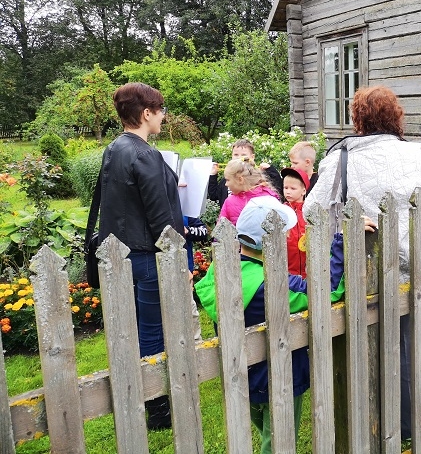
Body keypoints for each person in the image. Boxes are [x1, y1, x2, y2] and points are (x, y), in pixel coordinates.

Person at [305, 85, 421, 440]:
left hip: (360, 272)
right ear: (396, 118)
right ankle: (408, 428)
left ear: (358, 119)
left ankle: (365, 426)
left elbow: (311, 211)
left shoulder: (340, 160)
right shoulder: (418, 155)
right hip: (411, 271)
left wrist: (343, 226)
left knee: (360, 348)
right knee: (407, 350)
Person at [195, 196, 349, 454]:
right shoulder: (273, 285)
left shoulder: (219, 272)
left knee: (267, 435)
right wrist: (342, 243)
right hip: (279, 376)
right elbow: (327, 291)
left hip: (241, 375)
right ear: (269, 239)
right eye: (284, 233)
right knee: (278, 442)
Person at [97, 82, 184, 430]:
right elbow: (160, 217)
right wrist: (176, 257)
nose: (163, 116)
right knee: (152, 332)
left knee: (127, 329)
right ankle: (158, 409)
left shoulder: (114, 147)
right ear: (146, 113)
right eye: (160, 110)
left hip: (121, 254)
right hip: (147, 256)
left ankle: (133, 393)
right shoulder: (146, 153)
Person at [208, 139, 283, 206]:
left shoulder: (257, 177)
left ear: (252, 157)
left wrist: (271, 170)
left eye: (243, 155)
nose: (239, 158)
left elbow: (278, 190)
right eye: (236, 155)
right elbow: (214, 196)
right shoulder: (228, 179)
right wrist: (213, 175)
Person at [218, 158, 279, 226]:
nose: (226, 184)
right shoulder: (269, 197)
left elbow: (220, 233)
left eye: (227, 180)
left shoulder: (269, 198)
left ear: (240, 180)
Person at [281, 167, 311, 278]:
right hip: (287, 270)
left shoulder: (309, 211)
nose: (288, 191)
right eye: (285, 187)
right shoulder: (281, 211)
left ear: (303, 191)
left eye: (293, 188)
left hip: (308, 271)